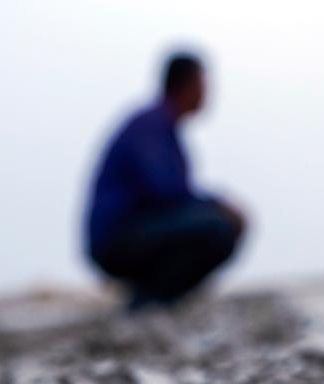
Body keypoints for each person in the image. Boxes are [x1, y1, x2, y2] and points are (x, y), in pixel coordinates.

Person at [85, 52, 246, 309]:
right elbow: (164, 190)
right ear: (187, 85)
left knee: (218, 223)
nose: (207, 94)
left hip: (138, 231)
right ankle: (149, 301)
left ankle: (156, 299)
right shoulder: (150, 125)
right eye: (203, 85)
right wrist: (216, 204)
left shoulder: (165, 128)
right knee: (217, 226)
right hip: (117, 237)